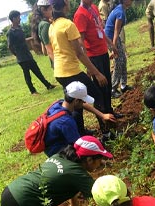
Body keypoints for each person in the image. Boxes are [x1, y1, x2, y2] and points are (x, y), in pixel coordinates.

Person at [49, 0, 114, 137]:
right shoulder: (68, 24)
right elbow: (79, 53)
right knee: (97, 97)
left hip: (60, 72)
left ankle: (78, 134)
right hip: (71, 70)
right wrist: (96, 73)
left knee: (74, 102)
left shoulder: (53, 26)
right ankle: (106, 133)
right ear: (65, 4)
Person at [74, 0, 117, 116]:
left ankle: (110, 111)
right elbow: (81, 43)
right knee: (100, 89)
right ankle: (104, 119)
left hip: (102, 52)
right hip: (93, 56)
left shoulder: (93, 7)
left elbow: (100, 30)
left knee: (107, 84)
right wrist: (89, 66)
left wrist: (110, 44)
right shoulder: (80, 15)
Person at [7, 10, 56, 95]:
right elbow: (10, 46)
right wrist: (16, 54)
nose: (20, 19)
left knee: (37, 71)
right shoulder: (10, 32)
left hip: (27, 54)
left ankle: (48, 85)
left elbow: (23, 40)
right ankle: (33, 91)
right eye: (18, 17)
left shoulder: (19, 28)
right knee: (27, 74)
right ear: (14, 18)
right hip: (21, 58)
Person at [43, 81, 91, 157]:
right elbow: (78, 145)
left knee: (76, 115)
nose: (84, 102)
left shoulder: (59, 103)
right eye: (83, 101)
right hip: (54, 150)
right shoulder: (66, 121)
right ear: (76, 101)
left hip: (50, 143)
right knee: (79, 155)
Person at [105, 0, 133, 99]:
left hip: (114, 38)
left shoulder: (120, 9)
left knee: (123, 60)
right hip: (111, 38)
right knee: (118, 62)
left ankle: (123, 85)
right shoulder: (120, 12)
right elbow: (116, 32)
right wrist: (114, 48)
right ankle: (113, 88)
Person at [31, 0, 54, 68]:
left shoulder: (41, 24)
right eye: (50, 9)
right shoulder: (45, 25)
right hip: (58, 64)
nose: (52, 11)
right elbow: (49, 51)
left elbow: (44, 52)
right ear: (44, 10)